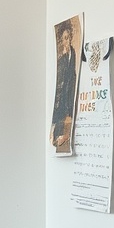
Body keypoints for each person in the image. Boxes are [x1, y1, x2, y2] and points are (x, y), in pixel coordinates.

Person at [51, 19, 79, 154]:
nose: (66, 42)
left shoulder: (73, 55)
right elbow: (60, 87)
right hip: (62, 103)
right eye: (64, 39)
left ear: (71, 39)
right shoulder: (61, 60)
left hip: (71, 100)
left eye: (67, 38)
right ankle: (59, 138)